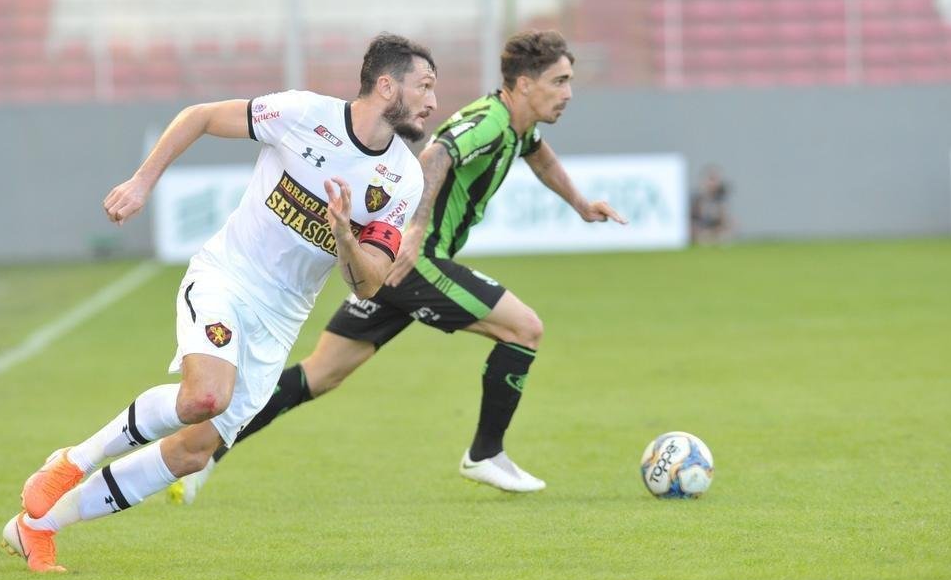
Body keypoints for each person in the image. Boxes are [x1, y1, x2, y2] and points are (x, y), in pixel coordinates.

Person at [1, 33, 436, 572]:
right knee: (205, 396)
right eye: (424, 86)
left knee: (193, 452)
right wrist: (142, 182)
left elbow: (368, 284)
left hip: (280, 321)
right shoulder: (303, 113)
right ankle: (72, 461)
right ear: (386, 84)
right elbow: (201, 116)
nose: (432, 102)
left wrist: (345, 235)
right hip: (227, 278)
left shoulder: (403, 178)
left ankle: (38, 525)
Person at [169, 29, 625, 504]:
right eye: (560, 81)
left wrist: (580, 204)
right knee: (524, 328)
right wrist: (416, 228)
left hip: (391, 271)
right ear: (525, 85)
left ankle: (202, 453)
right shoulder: (489, 119)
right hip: (413, 262)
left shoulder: (519, 127)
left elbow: (539, 155)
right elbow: (437, 153)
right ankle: (486, 452)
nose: (568, 93)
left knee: (320, 374)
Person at [690, 165, 732, 245]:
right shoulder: (697, 199)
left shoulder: (720, 199)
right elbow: (693, 220)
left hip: (716, 230)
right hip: (702, 231)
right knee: (703, 238)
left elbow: (724, 219)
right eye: (711, 180)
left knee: (726, 236)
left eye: (715, 180)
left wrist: (722, 227)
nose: (713, 184)